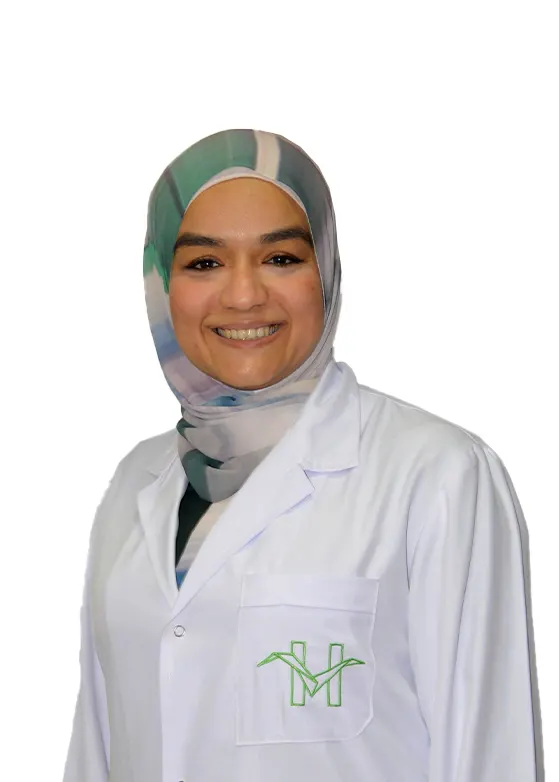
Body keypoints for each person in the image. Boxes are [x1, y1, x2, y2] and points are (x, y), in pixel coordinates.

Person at [62, 129, 545, 782]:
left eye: (281, 258)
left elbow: (491, 756)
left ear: (326, 270)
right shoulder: (136, 484)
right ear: (160, 283)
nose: (243, 295)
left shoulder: (436, 475)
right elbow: (97, 753)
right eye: (204, 263)